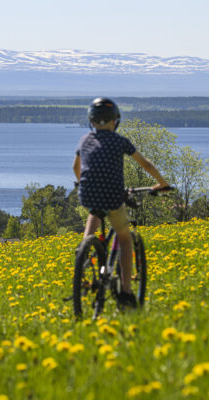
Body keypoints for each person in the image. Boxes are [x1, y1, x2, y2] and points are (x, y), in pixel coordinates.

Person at [73, 97, 170, 308]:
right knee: (125, 238)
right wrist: (161, 183)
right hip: (113, 196)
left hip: (88, 193)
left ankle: (84, 250)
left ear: (91, 121)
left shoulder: (84, 141)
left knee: (94, 212)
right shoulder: (119, 141)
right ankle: (126, 293)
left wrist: (83, 183)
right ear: (115, 121)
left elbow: (75, 167)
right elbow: (145, 163)